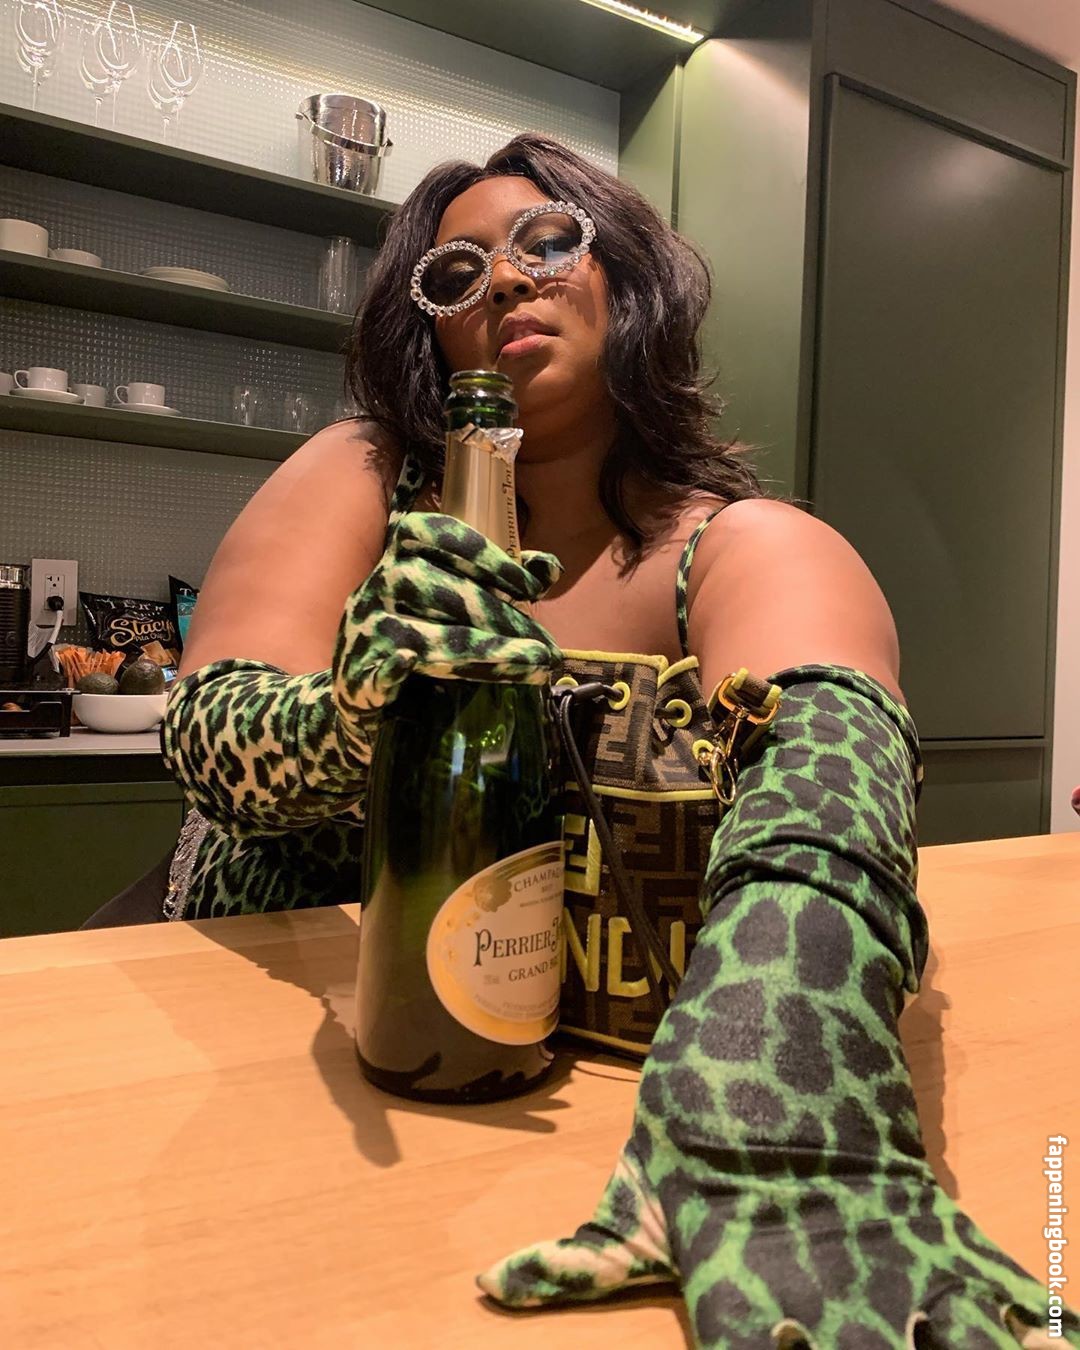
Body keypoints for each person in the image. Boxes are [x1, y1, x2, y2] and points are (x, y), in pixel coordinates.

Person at [158, 135, 1075, 1345]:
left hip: (578, 1090)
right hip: (290, 1048)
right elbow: (210, 735)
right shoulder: (367, 475)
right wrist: (349, 712)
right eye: (457, 272)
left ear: (628, 276)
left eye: (547, 242)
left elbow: (828, 795)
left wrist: (778, 1108)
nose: (505, 280)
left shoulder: (739, 545)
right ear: (432, 334)